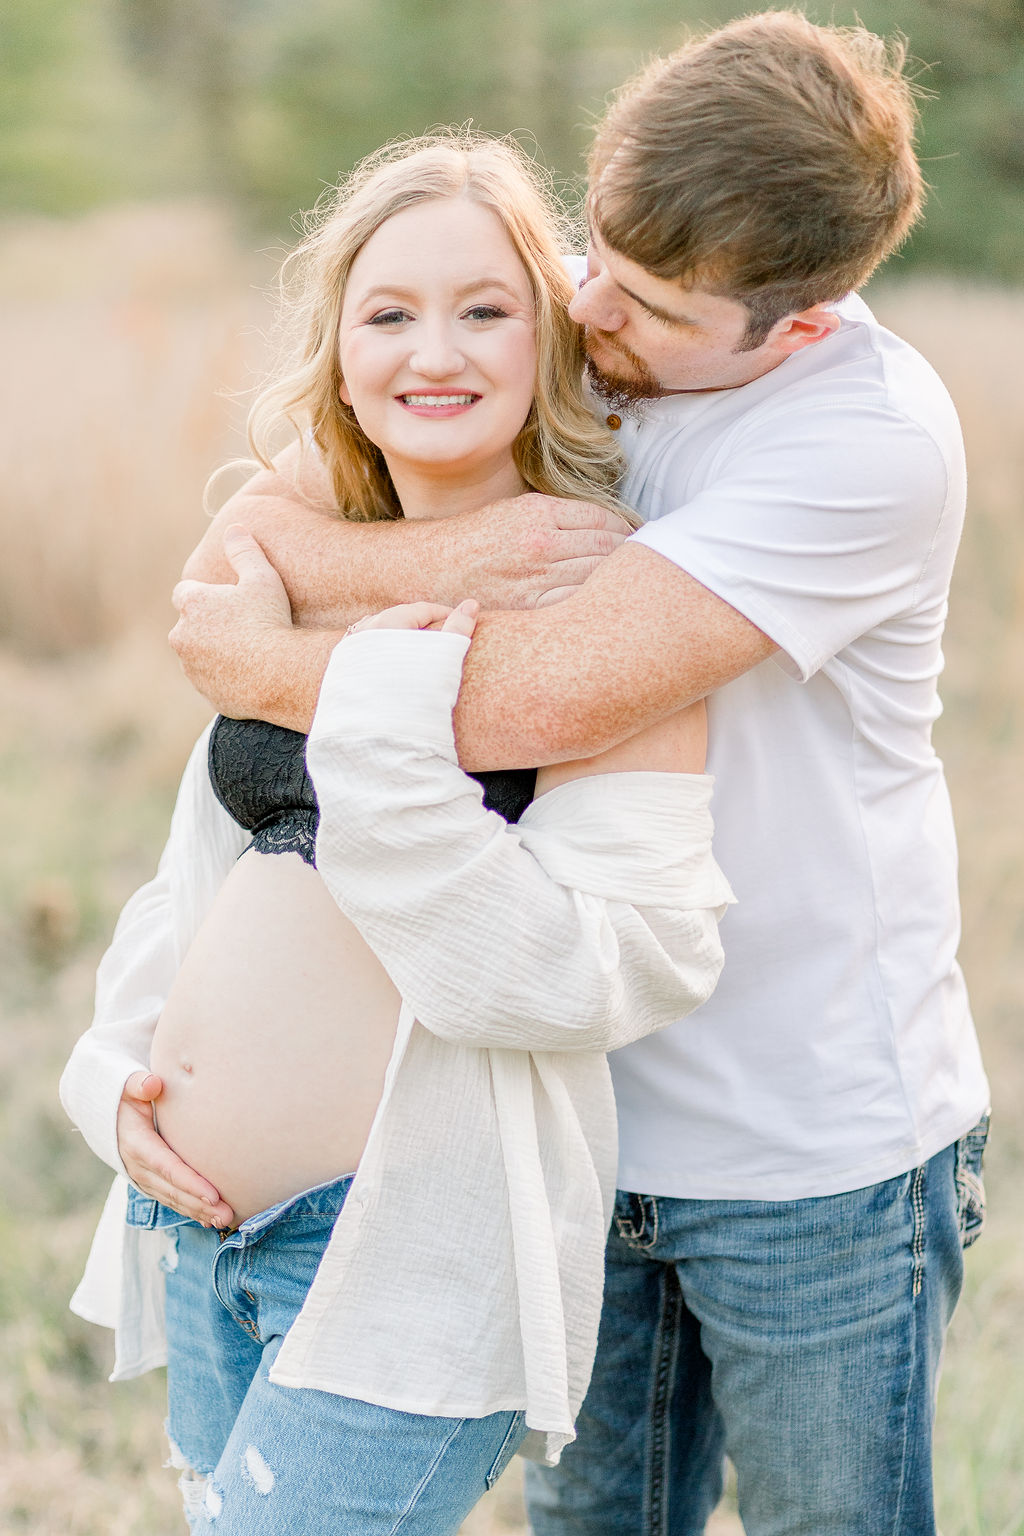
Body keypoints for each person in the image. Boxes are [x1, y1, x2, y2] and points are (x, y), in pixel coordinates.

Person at [165, 12, 991, 1535]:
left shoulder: (862, 443)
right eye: (593, 248)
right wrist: (460, 550)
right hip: (566, 1115)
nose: (588, 304)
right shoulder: (579, 327)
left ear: (792, 324)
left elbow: (531, 700)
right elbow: (237, 557)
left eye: (651, 299)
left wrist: (271, 661)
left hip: (806, 1140)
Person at [59, 135, 735, 1535]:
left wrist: (377, 711)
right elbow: (199, 882)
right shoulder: (288, 566)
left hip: (404, 1261)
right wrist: (115, 1073)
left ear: (549, 337)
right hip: (203, 1236)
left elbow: (602, 972)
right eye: (390, 312)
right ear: (340, 349)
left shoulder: (606, 602)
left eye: (486, 308)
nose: (437, 351)